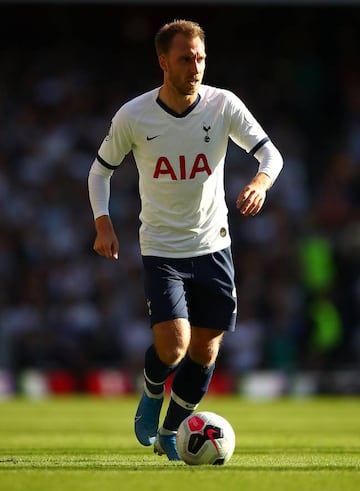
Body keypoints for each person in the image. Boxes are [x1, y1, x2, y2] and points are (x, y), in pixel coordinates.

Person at [88, 19, 283, 461]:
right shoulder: (134, 115)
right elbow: (101, 169)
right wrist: (103, 223)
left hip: (214, 246)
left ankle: (172, 433)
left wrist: (260, 183)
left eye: (200, 58)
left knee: (205, 347)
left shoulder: (223, 105)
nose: (195, 67)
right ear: (163, 62)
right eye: (185, 59)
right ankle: (153, 389)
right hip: (162, 249)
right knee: (174, 345)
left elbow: (270, 153)